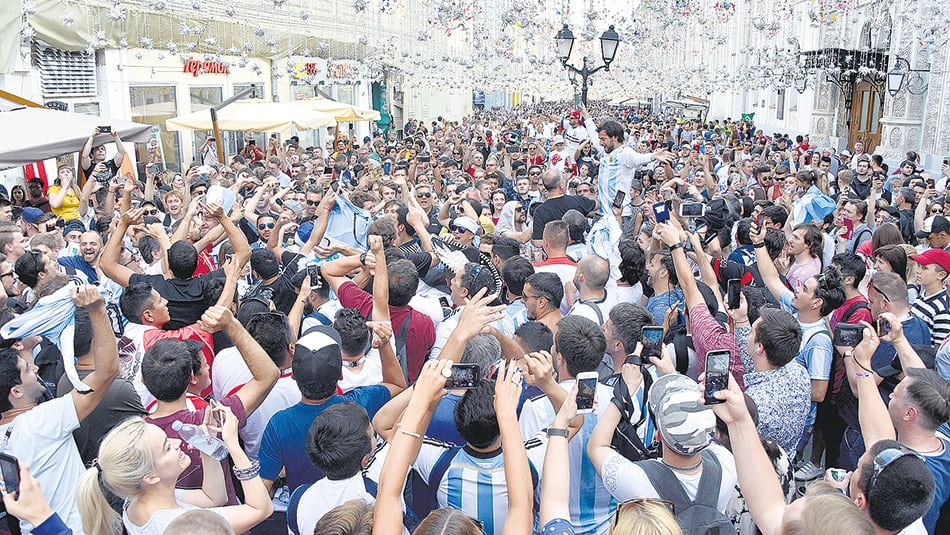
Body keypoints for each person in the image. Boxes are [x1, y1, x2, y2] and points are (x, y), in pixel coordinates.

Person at [0, 285, 118, 534]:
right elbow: (106, 372)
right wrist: (97, 309)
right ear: (16, 392)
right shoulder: (40, 422)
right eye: (26, 369)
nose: (34, 370)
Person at [76, 408, 273, 534]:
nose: (178, 442)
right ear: (151, 477)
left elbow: (213, 498)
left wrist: (205, 447)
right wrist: (233, 446)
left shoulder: (137, 500)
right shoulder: (181, 525)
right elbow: (261, 509)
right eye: (166, 447)